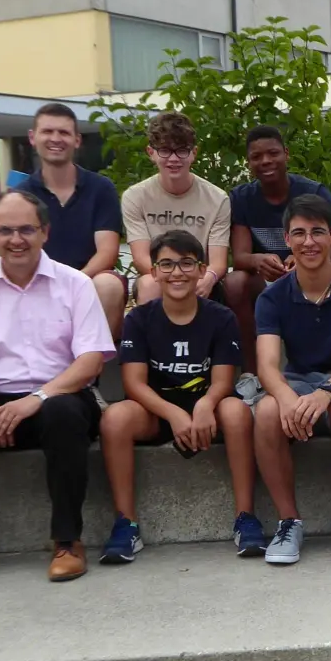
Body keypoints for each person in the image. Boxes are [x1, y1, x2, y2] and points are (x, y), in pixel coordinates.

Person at [0, 190, 117, 586]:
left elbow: (90, 361)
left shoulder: (75, 284)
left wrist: (37, 398)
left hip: (60, 393)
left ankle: (67, 541)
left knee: (63, 414)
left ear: (45, 232)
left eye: (27, 229)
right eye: (5, 230)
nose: (16, 239)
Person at [97, 230, 255, 565]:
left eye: (186, 263)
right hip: (156, 411)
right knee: (114, 418)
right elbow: (134, 383)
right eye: (166, 265)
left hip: (206, 408)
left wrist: (205, 404)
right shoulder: (139, 318)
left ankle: (246, 517)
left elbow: (223, 381)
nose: (177, 272)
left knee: (237, 412)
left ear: (201, 270)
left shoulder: (221, 317)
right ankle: (126, 524)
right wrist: (173, 413)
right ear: (153, 272)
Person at [245, 195, 331, 566]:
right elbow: (267, 366)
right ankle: (289, 522)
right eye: (299, 233)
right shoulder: (272, 298)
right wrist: (288, 398)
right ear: (286, 240)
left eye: (318, 232)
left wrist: (326, 393)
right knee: (267, 410)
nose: (309, 241)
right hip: (298, 381)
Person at [224, 125, 331, 371]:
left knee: (321, 274)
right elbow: (240, 256)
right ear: (248, 162)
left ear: (286, 154)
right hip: (265, 280)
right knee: (234, 282)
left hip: (308, 275)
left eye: (273, 153)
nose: (266, 161)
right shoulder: (242, 198)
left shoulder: (313, 192)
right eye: (256, 156)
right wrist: (258, 260)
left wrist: (303, 262)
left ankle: (320, 367)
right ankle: (251, 372)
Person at [15, 103, 127, 337]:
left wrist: (73, 283)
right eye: (48, 131)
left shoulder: (101, 188)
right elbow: (19, 253)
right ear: (32, 138)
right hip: (38, 282)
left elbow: (107, 252)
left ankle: (94, 359)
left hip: (89, 280)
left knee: (109, 285)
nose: (56, 139)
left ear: (77, 140)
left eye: (64, 132)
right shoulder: (20, 196)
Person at [120, 111, 231, 308]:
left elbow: (218, 263)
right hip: (157, 276)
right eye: (164, 150)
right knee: (149, 284)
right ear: (151, 153)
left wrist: (207, 278)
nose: (173, 159)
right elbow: (141, 258)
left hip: (199, 277)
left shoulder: (217, 198)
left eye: (181, 151)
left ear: (194, 153)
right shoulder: (135, 196)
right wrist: (174, 277)